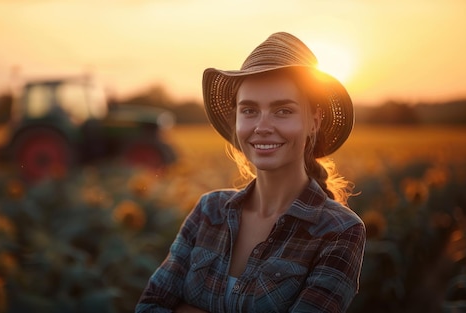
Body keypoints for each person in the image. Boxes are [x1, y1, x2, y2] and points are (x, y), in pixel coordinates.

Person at [136, 32, 366, 313]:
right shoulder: (209, 210)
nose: (262, 126)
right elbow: (149, 307)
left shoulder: (339, 231)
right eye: (249, 110)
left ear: (313, 121)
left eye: (283, 111)